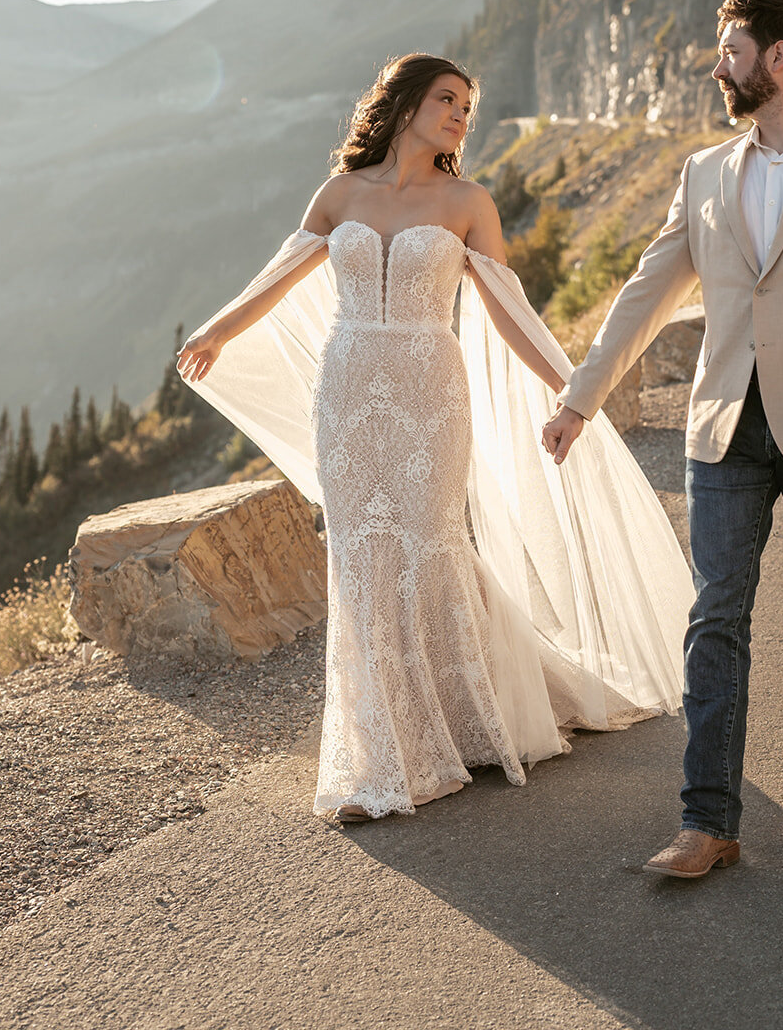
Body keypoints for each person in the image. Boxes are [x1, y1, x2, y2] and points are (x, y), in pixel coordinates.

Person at [178, 53, 692, 825]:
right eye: (446, 100)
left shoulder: (467, 201)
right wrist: (216, 332)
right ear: (405, 104)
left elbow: (509, 310)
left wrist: (575, 395)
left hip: (428, 390)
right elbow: (276, 276)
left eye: (466, 107)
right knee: (360, 556)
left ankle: (455, 727)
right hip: (347, 391)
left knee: (428, 544)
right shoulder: (340, 192)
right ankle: (385, 753)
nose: (459, 116)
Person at [542, 0, 783, 875]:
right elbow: (645, 292)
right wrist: (579, 399)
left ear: (778, 58)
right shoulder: (704, 171)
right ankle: (707, 819)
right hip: (722, 424)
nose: (716, 67)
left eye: (729, 52)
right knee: (715, 617)